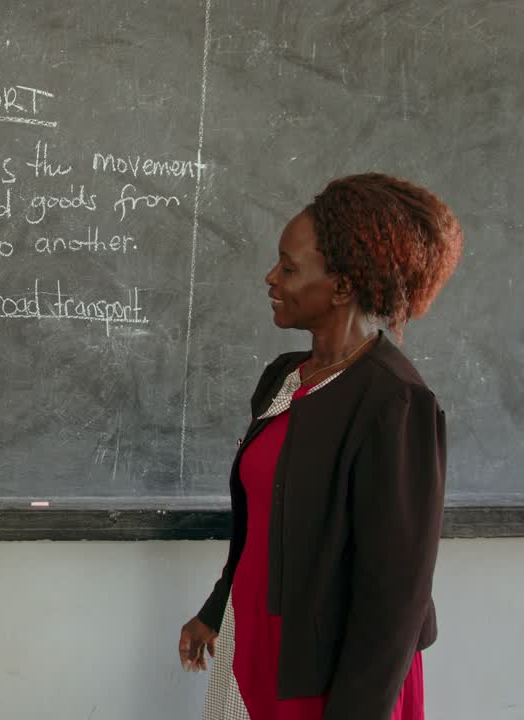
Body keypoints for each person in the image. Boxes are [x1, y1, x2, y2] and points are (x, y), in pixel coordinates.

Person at [178, 173, 463, 720]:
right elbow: (262, 522)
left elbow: (395, 599)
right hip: (258, 635)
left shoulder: (394, 403)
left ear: (341, 287)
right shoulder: (284, 379)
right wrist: (217, 608)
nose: (271, 278)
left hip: (335, 675)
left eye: (289, 268)